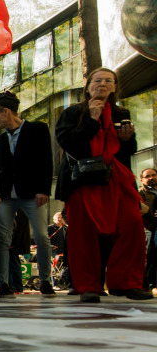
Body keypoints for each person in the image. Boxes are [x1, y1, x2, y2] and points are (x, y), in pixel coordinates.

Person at [55, 68, 151, 302]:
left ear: (115, 87)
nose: (103, 84)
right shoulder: (73, 112)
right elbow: (68, 144)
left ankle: (126, 283)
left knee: (131, 226)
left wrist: (128, 141)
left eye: (109, 81)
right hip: (84, 179)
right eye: (97, 80)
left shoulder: (121, 112)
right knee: (84, 233)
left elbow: (126, 151)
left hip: (116, 177)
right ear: (87, 86)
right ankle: (88, 286)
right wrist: (92, 121)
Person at [0, 91, 56, 300]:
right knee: (3, 239)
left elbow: (46, 159)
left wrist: (44, 189)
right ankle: (3, 283)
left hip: (32, 193)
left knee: (43, 237)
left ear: (6, 111)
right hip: (6, 195)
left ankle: (45, 280)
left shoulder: (38, 129)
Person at [139, 167, 156, 290]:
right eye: (148, 176)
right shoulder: (140, 194)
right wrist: (149, 226)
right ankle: (145, 283)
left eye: (153, 175)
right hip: (148, 229)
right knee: (148, 257)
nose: (151, 178)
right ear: (142, 180)